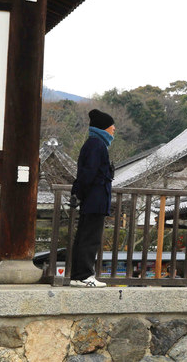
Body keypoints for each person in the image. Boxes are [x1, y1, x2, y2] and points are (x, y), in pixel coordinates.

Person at [69, 109, 115, 288]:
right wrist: (80, 193)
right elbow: (88, 173)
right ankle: (84, 275)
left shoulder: (94, 143)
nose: (114, 130)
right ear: (104, 128)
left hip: (93, 199)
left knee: (85, 237)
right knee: (89, 238)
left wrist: (78, 193)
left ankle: (80, 275)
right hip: (94, 200)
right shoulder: (97, 145)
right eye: (112, 127)